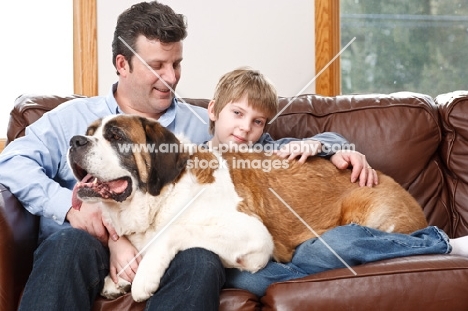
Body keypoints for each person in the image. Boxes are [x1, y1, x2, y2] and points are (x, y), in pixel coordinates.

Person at [0, 2, 376, 311]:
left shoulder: (200, 127)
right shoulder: (75, 119)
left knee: (201, 258)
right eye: (157, 66)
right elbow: (11, 162)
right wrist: (70, 209)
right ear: (122, 65)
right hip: (86, 247)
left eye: (176, 64)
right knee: (67, 244)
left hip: (169, 250)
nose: (171, 77)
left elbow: (267, 154)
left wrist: (335, 147)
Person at [204, 67, 468, 297]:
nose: (245, 127)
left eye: (257, 121)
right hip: (297, 250)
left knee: (340, 245)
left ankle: (443, 244)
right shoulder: (192, 165)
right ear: (214, 110)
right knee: (247, 277)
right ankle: (304, 275)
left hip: (338, 226)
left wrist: (317, 144)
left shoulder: (275, 149)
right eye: (237, 113)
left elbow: (335, 140)